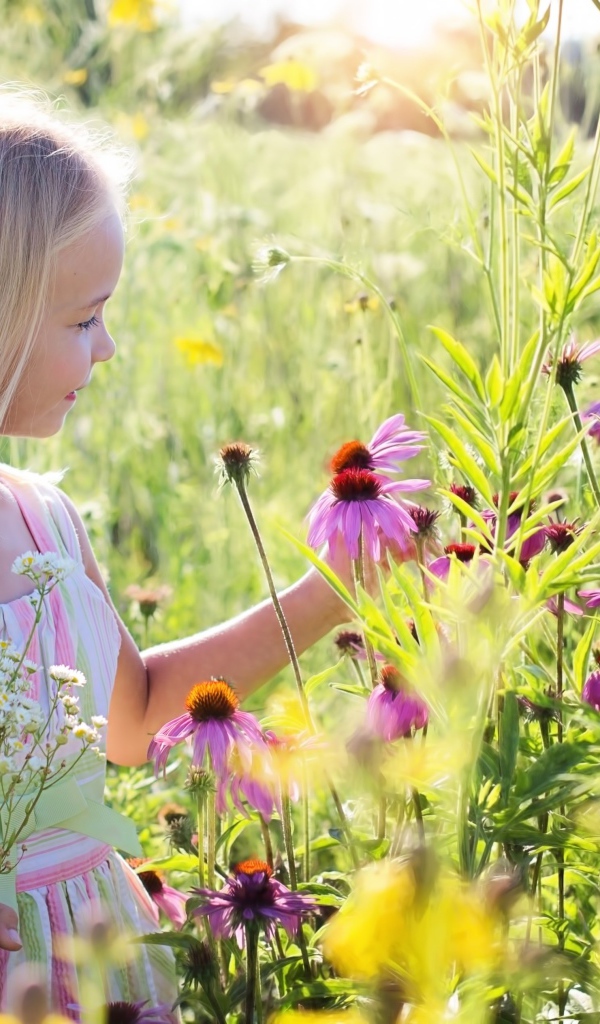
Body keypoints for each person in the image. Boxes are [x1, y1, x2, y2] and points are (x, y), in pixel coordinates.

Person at [0, 93, 354, 1014]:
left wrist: (329, 593)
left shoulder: (48, 525)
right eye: (84, 320)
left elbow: (137, 715)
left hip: (98, 954)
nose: (108, 348)